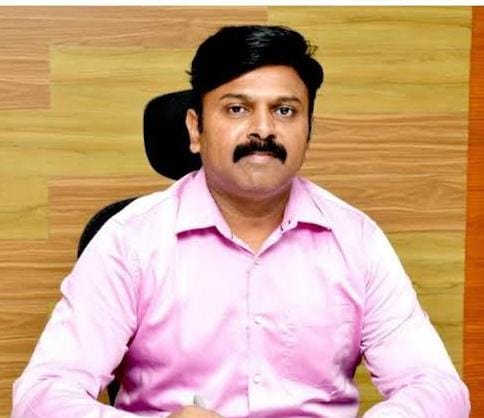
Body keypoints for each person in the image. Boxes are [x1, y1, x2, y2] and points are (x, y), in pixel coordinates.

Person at [11, 25, 470, 418]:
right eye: (237, 109)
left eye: (285, 110)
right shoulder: (130, 241)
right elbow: (42, 397)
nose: (263, 130)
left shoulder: (357, 240)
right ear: (195, 130)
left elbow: (436, 388)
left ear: (308, 130)